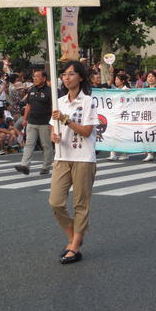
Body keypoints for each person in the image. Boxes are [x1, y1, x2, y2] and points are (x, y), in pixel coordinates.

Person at [49, 61, 98, 265]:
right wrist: (54, 136)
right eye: (64, 74)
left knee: (80, 203)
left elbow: (87, 131)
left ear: (80, 77)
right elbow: (53, 127)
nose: (66, 77)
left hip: (83, 158)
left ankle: (75, 246)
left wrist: (67, 120)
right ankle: (73, 236)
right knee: (56, 202)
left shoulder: (88, 102)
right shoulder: (58, 101)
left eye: (71, 74)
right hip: (62, 157)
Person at [15, 69, 54, 176]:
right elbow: (28, 105)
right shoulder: (31, 90)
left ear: (44, 78)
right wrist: (25, 119)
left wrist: (52, 123)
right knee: (29, 144)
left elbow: (52, 108)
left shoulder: (49, 91)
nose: (35, 78)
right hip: (32, 121)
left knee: (46, 145)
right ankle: (25, 165)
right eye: (34, 76)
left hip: (45, 123)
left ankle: (46, 167)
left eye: (37, 76)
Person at [141, 70, 156, 162]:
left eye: (152, 76)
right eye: (149, 77)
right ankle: (150, 153)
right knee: (147, 133)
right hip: (147, 114)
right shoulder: (145, 89)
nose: (150, 78)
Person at [108, 74, 131, 161]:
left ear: (122, 81)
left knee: (123, 135)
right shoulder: (115, 90)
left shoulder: (127, 90)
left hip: (124, 115)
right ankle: (113, 153)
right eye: (116, 79)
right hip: (115, 115)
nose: (116, 81)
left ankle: (125, 153)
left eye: (117, 79)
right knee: (113, 134)